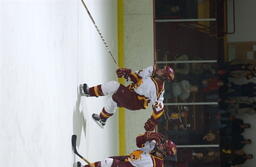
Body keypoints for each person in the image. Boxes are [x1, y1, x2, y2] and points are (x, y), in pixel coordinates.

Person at [79, 65, 175, 130]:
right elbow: (138, 77)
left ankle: (88, 92)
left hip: (135, 101)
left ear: (164, 78)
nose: (160, 70)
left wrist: (153, 121)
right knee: (113, 101)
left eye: (163, 71)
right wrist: (127, 74)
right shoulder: (152, 70)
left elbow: (159, 108)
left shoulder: (158, 89)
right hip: (131, 93)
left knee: (114, 86)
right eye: (162, 69)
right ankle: (102, 119)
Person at [76, 131, 177, 167]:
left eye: (163, 146)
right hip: (129, 161)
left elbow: (132, 163)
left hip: (129, 164)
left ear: (164, 153)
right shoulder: (153, 145)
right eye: (163, 143)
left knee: (108, 163)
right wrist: (146, 137)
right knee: (108, 161)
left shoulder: (153, 163)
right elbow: (138, 142)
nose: (161, 144)